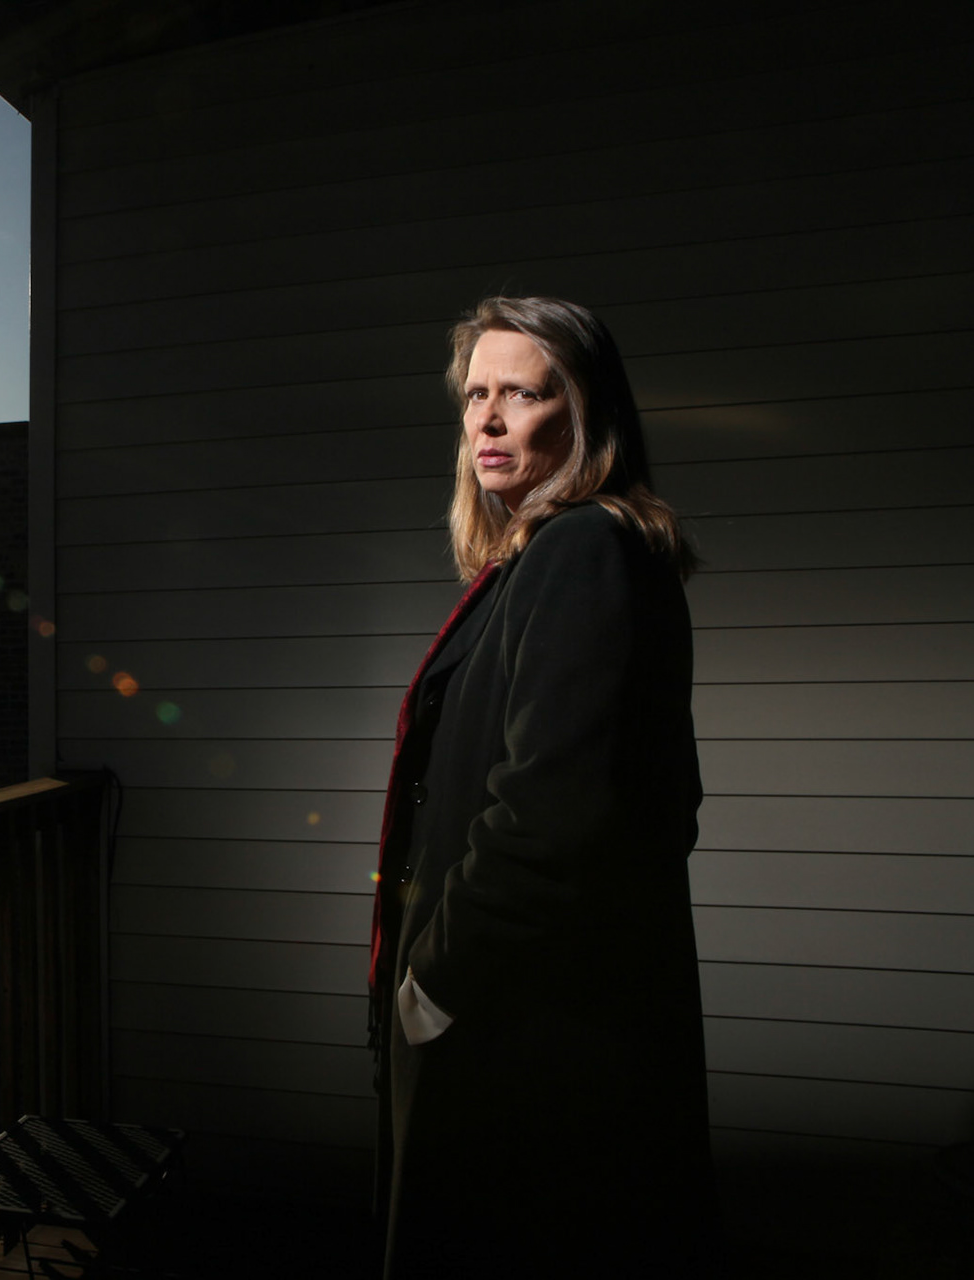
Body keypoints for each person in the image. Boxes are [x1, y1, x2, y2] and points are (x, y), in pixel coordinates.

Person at [370, 297, 717, 1278]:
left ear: (584, 413)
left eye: (521, 392)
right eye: (476, 392)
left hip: (524, 1024)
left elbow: (552, 813)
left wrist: (434, 981)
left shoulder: (584, 548)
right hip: (526, 1014)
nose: (485, 417)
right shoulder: (547, 557)